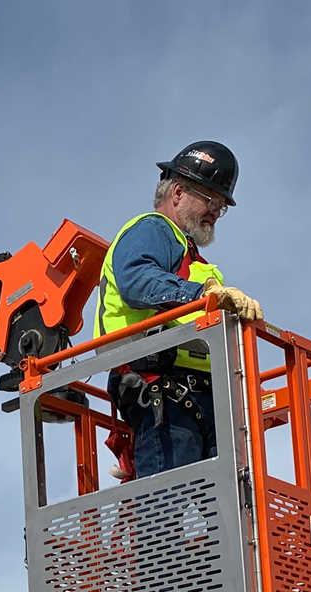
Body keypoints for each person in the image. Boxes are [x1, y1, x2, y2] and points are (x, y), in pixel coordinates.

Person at [95, 142, 263, 480]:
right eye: (211, 199)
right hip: (161, 389)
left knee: (226, 518)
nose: (216, 212)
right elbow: (136, 278)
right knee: (167, 516)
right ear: (177, 192)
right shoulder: (153, 230)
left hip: (199, 395)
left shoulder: (192, 259)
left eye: (222, 206)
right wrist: (201, 295)